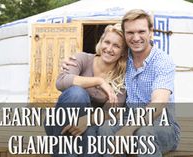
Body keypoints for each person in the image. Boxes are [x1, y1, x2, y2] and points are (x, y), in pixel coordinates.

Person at [62, 9, 180, 157]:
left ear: (151, 32)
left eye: (141, 32)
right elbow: (100, 57)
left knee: (143, 133)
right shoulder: (123, 58)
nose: (136, 38)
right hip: (127, 117)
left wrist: (127, 129)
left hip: (161, 123)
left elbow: (159, 102)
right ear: (124, 35)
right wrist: (70, 62)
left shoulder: (163, 61)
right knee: (105, 129)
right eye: (130, 33)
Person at [44, 24, 128, 157]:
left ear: (123, 51)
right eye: (106, 42)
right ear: (101, 42)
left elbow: (110, 112)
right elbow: (61, 82)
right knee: (77, 93)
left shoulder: (121, 77)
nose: (109, 48)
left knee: (91, 142)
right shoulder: (82, 58)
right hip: (61, 121)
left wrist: (86, 120)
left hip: (89, 124)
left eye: (116, 46)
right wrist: (99, 81)